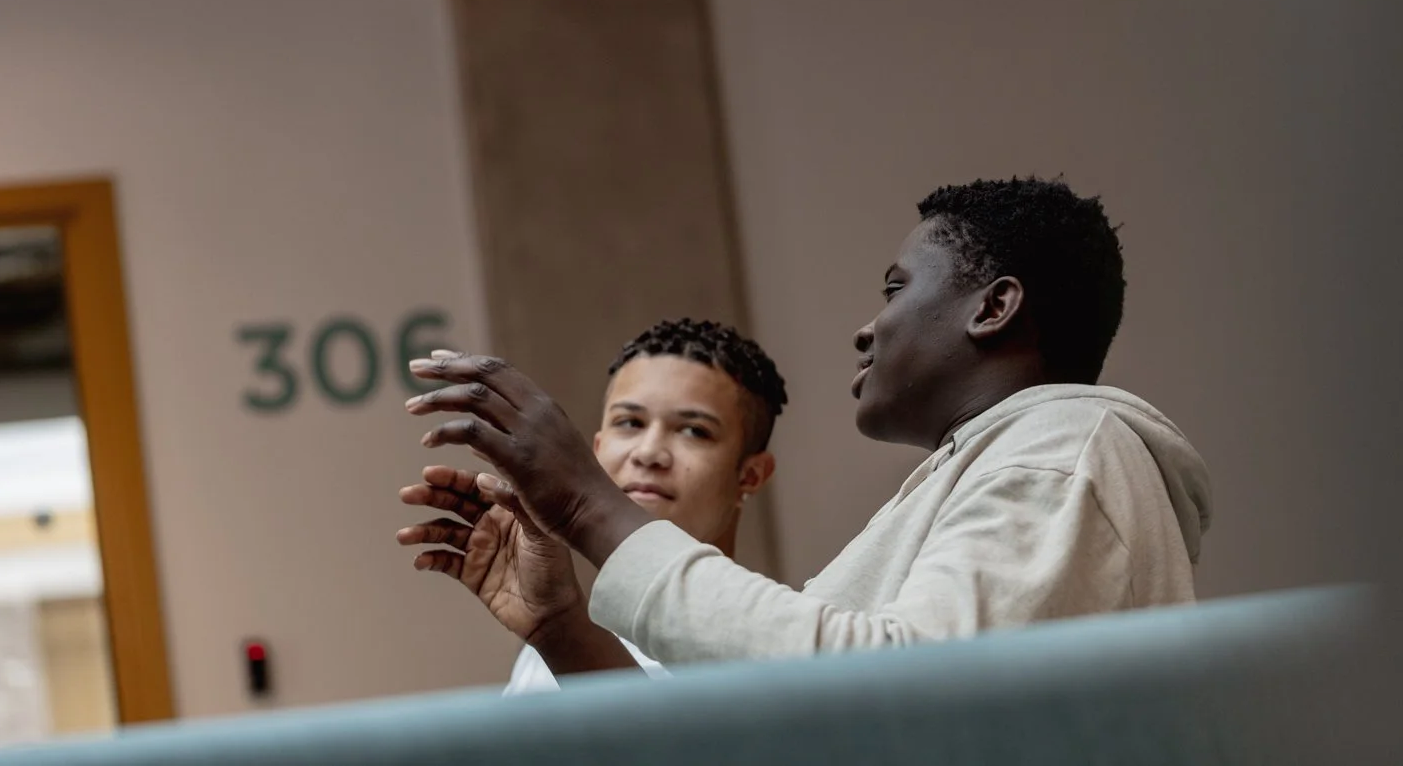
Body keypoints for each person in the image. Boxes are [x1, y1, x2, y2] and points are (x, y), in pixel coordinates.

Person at [401, 177, 1212, 665]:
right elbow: (764, 739)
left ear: (994, 306)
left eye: (897, 289)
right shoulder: (995, 466)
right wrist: (559, 626)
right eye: (627, 422)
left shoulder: (1068, 446)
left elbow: (900, 693)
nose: (869, 326)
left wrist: (587, 504)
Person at [397, 318, 787, 691]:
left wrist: (560, 625)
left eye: (694, 431)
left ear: (751, 475)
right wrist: (555, 624)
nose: (648, 452)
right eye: (630, 422)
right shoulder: (545, 648)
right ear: (597, 450)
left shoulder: (772, 643)